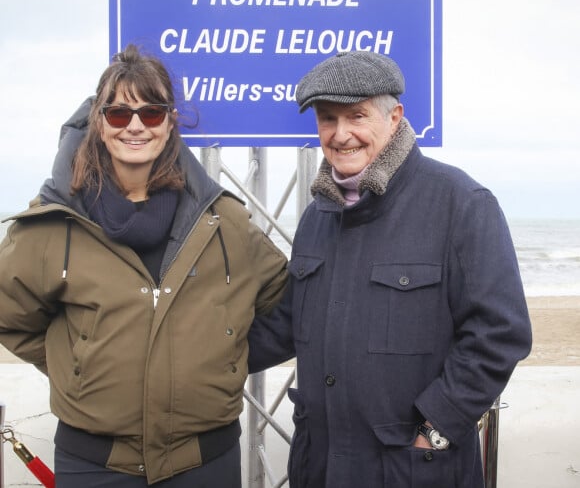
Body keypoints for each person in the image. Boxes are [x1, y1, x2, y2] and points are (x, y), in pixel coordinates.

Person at [0, 44, 288, 487]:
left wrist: (225, 355)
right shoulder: (52, 224)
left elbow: (284, 305)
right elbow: (9, 318)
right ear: (98, 122)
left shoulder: (224, 220)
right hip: (94, 466)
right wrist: (76, 363)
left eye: (151, 113)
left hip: (206, 464)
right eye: (118, 114)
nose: (135, 126)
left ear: (170, 122)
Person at [249, 50, 533, 488]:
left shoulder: (460, 203)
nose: (341, 135)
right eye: (328, 119)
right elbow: (288, 324)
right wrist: (201, 351)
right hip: (321, 468)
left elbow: (500, 334)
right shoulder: (317, 216)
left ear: (394, 117)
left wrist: (434, 435)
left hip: (416, 472)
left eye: (356, 116)